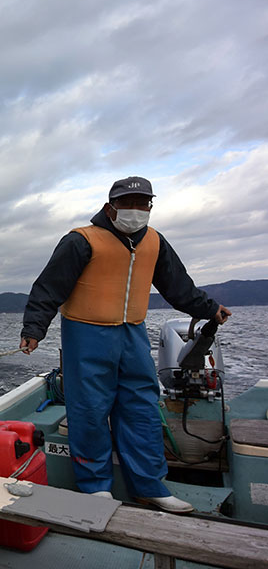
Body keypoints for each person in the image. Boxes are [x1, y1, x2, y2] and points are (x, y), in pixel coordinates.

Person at [19, 176, 230, 513]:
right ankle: (95, 487)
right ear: (109, 207)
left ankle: (150, 486)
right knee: (89, 410)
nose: (136, 210)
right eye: (128, 203)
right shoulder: (80, 241)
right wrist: (34, 328)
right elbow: (48, 288)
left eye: (142, 203)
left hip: (133, 333)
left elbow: (179, 287)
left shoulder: (155, 242)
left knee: (142, 407)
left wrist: (209, 309)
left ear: (150, 206)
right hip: (86, 334)